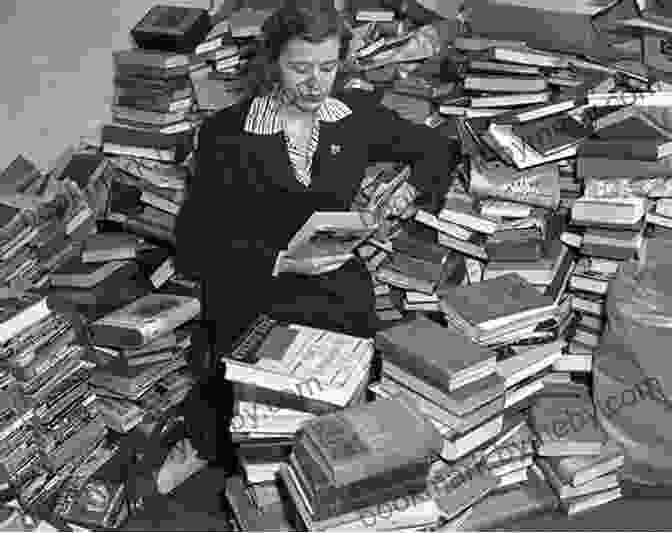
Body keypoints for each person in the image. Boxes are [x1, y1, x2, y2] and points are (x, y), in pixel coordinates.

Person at [174, 0, 462, 470]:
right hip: (253, 292)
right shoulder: (227, 134)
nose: (315, 83)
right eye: (300, 68)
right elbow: (194, 244)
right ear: (272, 64)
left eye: (328, 67)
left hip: (334, 286)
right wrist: (282, 260)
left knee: (344, 435)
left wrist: (409, 189)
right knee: (258, 440)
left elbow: (436, 149)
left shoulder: (352, 116)